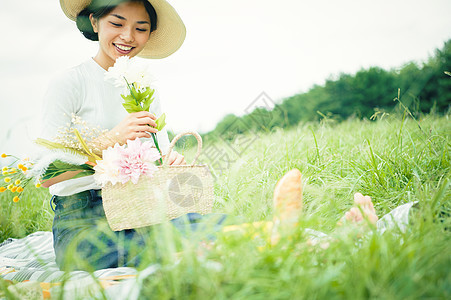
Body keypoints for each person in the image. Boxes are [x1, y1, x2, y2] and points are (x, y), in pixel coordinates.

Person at [41, 0, 415, 272]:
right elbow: (47, 175)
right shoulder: (69, 83)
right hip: (85, 224)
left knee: (212, 225)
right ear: (94, 21)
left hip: (142, 208)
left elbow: (153, 154)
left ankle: (324, 237)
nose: (128, 37)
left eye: (140, 28)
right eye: (117, 24)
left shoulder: (142, 85)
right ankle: (295, 238)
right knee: (181, 247)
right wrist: (111, 139)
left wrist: (168, 159)